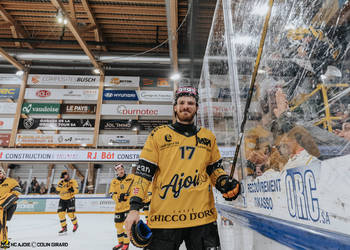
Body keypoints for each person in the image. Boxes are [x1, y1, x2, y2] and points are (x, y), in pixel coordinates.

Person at [125, 86, 240, 250]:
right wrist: (134, 208)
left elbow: (215, 170)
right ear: (175, 107)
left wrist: (223, 182)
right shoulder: (157, 135)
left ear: (197, 108)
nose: (186, 106)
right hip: (164, 220)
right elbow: (143, 175)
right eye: (182, 102)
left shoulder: (208, 137)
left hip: (203, 220)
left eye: (191, 103)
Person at [109, 164, 134, 250]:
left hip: (128, 207)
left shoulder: (131, 177)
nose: (121, 170)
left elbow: (136, 188)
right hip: (119, 208)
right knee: (118, 226)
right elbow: (111, 194)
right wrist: (119, 198)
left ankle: (126, 244)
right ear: (116, 172)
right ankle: (120, 242)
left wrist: (128, 197)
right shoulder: (114, 181)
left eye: (122, 168)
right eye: (119, 169)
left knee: (126, 226)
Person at [0, 167, 21, 247]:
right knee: (2, 223)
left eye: (0, 173)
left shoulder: (10, 181)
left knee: (1, 223)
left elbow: (17, 192)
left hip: (9, 204)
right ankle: (3, 239)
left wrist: (4, 201)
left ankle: (4, 242)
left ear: (3, 173)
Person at [56, 170, 79, 234]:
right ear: (63, 176)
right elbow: (57, 192)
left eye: (67, 174)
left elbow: (77, 190)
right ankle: (64, 227)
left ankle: (75, 224)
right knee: (60, 214)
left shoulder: (73, 181)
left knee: (70, 214)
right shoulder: (60, 182)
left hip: (70, 199)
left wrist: (72, 190)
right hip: (62, 199)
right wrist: (59, 187)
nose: (66, 176)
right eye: (64, 175)